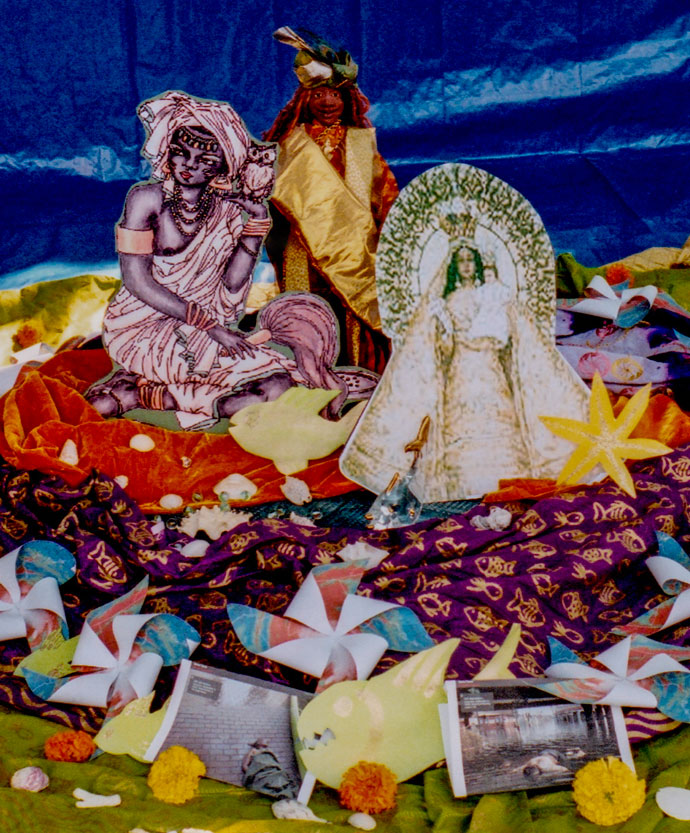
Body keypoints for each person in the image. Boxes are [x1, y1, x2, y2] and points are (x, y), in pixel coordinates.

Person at [87, 91, 348, 429]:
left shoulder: (225, 210)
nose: (189, 165)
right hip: (144, 323)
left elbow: (231, 286)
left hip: (206, 327)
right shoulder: (146, 198)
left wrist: (255, 229)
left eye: (203, 159)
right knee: (233, 368)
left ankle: (147, 393)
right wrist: (210, 328)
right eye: (182, 153)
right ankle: (139, 394)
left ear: (222, 166)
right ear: (169, 152)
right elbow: (137, 281)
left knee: (279, 384)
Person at [263, 27, 399, 374]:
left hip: (354, 247)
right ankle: (307, 370)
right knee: (307, 305)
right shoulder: (288, 142)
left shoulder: (360, 142)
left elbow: (383, 191)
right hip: (302, 246)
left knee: (355, 306)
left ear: (348, 99)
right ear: (304, 98)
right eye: (319, 93)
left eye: (335, 95)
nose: (327, 102)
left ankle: (358, 369)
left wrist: (393, 229)